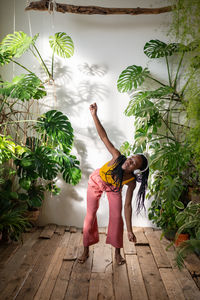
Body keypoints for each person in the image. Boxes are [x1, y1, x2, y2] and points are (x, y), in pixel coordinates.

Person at [77, 103, 149, 265]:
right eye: (132, 158)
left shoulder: (130, 182)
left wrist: (130, 231)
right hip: (97, 181)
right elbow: (103, 137)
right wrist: (94, 115)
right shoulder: (118, 157)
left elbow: (127, 207)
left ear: (136, 171)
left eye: (133, 164)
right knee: (90, 216)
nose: (129, 162)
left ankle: (117, 254)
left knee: (117, 218)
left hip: (113, 189)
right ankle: (86, 250)